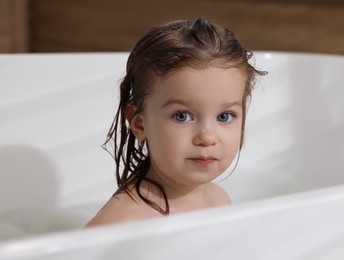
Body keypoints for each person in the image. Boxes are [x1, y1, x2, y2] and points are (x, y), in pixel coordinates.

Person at [85, 18, 266, 227]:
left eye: (224, 116)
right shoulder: (123, 221)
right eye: (182, 116)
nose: (207, 137)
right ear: (139, 124)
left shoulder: (219, 199)